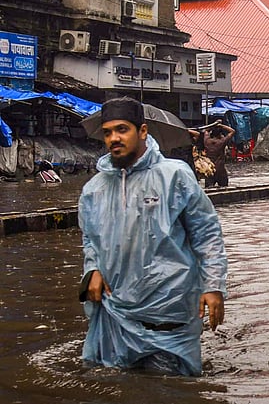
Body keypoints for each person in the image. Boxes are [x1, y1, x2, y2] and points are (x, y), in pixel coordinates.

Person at [78, 97, 227, 376]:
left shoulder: (174, 176)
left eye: (122, 129)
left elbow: (206, 234)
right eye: (108, 132)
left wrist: (213, 286)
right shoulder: (94, 189)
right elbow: (90, 239)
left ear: (143, 131)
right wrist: (93, 269)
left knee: (168, 392)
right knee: (113, 392)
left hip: (168, 312)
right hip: (115, 312)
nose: (114, 138)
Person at [188, 120, 234, 188]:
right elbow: (232, 131)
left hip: (209, 168)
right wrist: (221, 125)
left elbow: (206, 130)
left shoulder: (207, 140)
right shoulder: (222, 141)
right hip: (220, 168)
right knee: (224, 187)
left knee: (208, 188)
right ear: (220, 134)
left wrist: (213, 125)